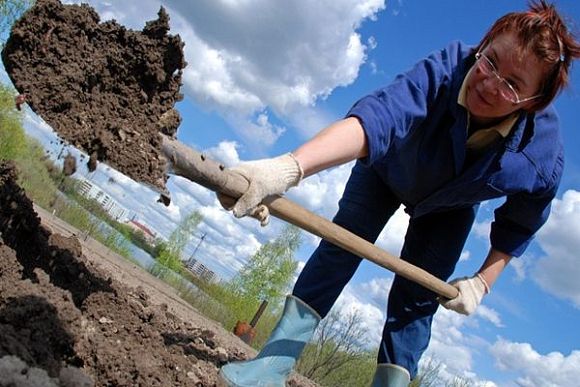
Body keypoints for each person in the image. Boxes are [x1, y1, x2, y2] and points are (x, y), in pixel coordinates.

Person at [218, 2, 580, 386]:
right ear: (484, 44)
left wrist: (482, 283)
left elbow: (520, 224)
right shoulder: (446, 69)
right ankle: (272, 365)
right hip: (388, 167)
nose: (489, 84)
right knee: (342, 245)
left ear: (533, 104)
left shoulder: (540, 154)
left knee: (418, 298)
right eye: (490, 61)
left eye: (511, 85)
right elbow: (379, 116)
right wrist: (287, 169)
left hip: (449, 207)